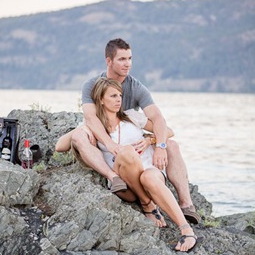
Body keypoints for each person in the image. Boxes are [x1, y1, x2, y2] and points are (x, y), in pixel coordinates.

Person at [55, 38, 200, 225]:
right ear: (109, 61)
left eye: (130, 58)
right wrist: (108, 143)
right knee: (81, 135)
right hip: (112, 146)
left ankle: (186, 204)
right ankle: (114, 179)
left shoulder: (135, 92)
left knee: (170, 144)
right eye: (122, 59)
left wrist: (156, 143)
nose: (128, 64)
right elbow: (90, 118)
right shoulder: (92, 86)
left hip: (132, 140)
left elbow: (159, 120)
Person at [90, 77, 201, 252]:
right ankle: (148, 205)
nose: (119, 99)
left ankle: (187, 230)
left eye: (120, 95)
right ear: (101, 100)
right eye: (113, 96)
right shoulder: (94, 127)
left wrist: (150, 140)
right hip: (125, 180)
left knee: (149, 176)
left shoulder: (131, 116)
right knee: (127, 152)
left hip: (149, 169)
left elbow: (168, 131)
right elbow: (64, 144)